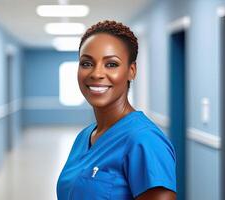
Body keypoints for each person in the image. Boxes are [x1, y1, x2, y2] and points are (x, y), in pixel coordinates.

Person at [56, 20, 177, 200]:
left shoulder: (145, 141)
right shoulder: (84, 136)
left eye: (111, 64)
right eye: (87, 63)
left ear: (131, 71)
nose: (96, 74)